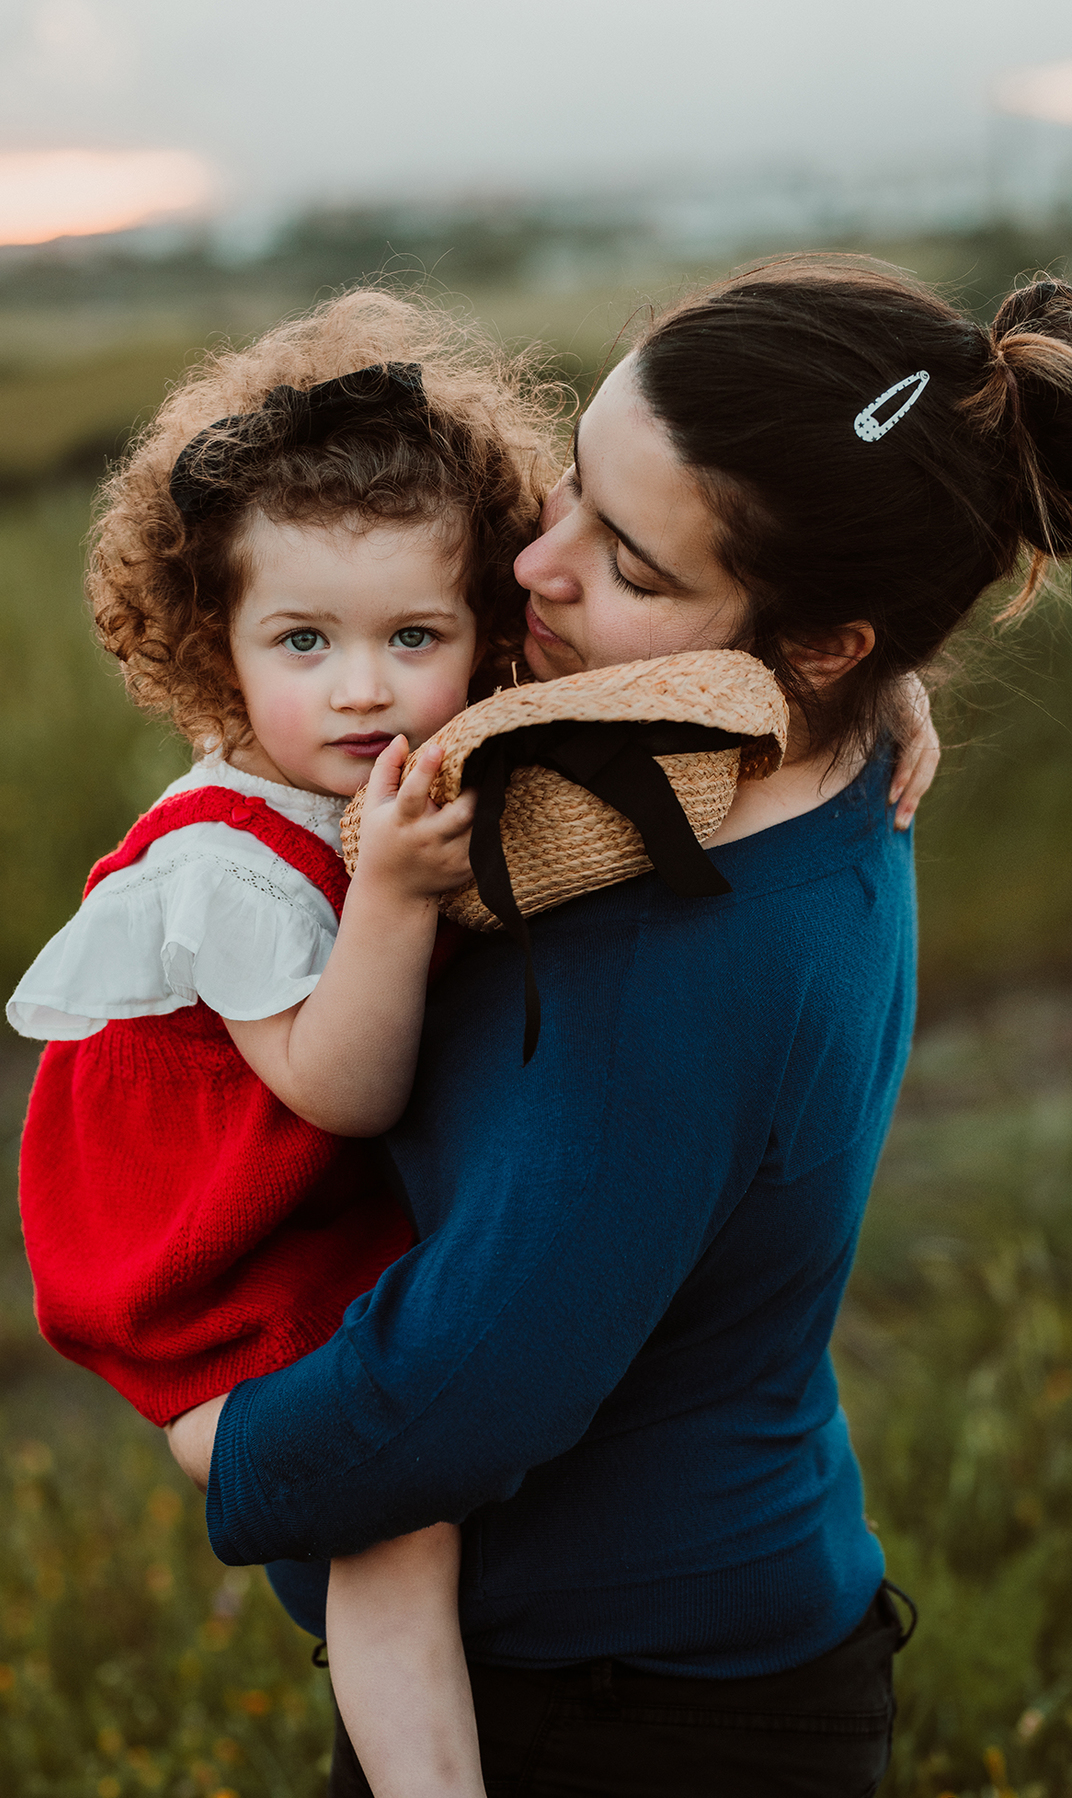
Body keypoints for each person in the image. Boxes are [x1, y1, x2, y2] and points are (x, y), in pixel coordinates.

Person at [168, 261, 1072, 1797]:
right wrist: (887, 675)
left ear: (826, 640)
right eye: (577, 483)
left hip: (623, 1716)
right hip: (671, 1633)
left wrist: (204, 1421)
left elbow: (451, 1407)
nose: (536, 564)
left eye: (633, 566)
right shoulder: (738, 737)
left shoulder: (680, 958)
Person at [7, 292, 565, 1798]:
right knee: (396, 1515)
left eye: (414, 636)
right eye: (303, 640)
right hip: (211, 1272)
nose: (364, 687)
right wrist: (390, 893)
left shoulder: (401, 757)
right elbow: (341, 1081)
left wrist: (870, 692)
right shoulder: (225, 866)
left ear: (487, 634)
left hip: (303, 1221)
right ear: (218, 640)